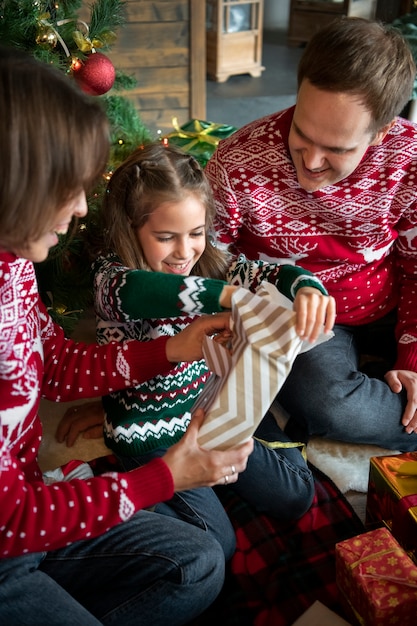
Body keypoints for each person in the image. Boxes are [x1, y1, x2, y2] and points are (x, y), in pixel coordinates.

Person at [0, 46, 255, 626]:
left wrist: (175, 348)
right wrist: (164, 478)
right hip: (10, 538)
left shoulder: (14, 265)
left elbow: (59, 363)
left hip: (32, 510)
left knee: (200, 562)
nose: (82, 210)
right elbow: (10, 519)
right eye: (68, 189)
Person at [56, 141, 335, 524]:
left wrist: (307, 287)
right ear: (131, 229)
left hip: (206, 407)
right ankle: (113, 497)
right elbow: (149, 292)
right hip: (149, 438)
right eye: (166, 237)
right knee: (218, 542)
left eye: (196, 233)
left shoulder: (207, 261)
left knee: (297, 495)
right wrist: (229, 296)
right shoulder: (113, 279)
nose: (184, 252)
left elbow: (268, 273)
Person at [204, 16, 417, 452]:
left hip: (393, 299)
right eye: (301, 133)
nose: (312, 162)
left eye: (337, 149)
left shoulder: (409, 158)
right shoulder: (236, 161)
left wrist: (412, 356)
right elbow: (209, 265)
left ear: (381, 132)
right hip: (304, 322)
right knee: (324, 402)